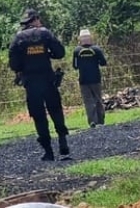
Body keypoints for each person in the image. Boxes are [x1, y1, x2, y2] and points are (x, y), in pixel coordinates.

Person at [8, 9, 70, 161]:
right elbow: (60, 53)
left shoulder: (18, 38)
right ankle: (63, 140)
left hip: (31, 83)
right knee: (56, 111)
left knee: (38, 116)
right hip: (48, 80)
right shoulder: (45, 33)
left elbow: (14, 64)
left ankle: (48, 152)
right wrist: (47, 54)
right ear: (35, 20)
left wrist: (25, 63)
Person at [73, 29, 108, 128]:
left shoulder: (77, 51)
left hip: (83, 80)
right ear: (90, 38)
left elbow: (75, 66)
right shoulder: (96, 49)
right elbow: (103, 62)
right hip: (96, 78)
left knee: (88, 101)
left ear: (80, 39)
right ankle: (101, 121)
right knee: (98, 99)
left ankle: (92, 121)